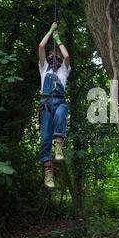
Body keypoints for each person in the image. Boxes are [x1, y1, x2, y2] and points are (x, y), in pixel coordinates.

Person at [38, 22, 71, 188]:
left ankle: (58, 145)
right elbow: (41, 46)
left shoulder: (64, 70)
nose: (52, 58)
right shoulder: (44, 70)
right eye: (50, 57)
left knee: (61, 112)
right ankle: (48, 172)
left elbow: (66, 56)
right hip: (45, 104)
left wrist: (58, 39)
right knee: (44, 139)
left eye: (55, 56)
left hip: (59, 102)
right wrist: (50, 31)